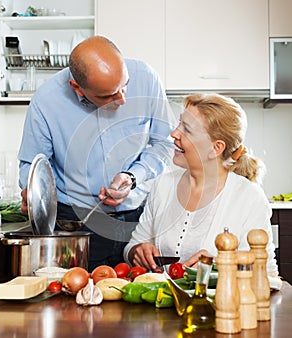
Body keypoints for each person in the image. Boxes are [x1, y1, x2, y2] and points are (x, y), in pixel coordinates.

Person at [18, 36, 176, 271]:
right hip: (76, 225)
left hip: (139, 220)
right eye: (108, 95)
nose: (122, 99)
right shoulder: (46, 101)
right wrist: (33, 193)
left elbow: (165, 144)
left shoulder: (146, 78)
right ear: (77, 88)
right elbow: (31, 165)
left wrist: (133, 177)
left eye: (125, 86)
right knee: (76, 299)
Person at [124, 93, 278, 277]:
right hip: (163, 304)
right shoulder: (162, 185)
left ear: (216, 148)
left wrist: (220, 268)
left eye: (186, 130)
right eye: (179, 124)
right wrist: (137, 251)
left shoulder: (249, 197)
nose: (174, 133)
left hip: (220, 305)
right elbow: (133, 246)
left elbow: (268, 275)